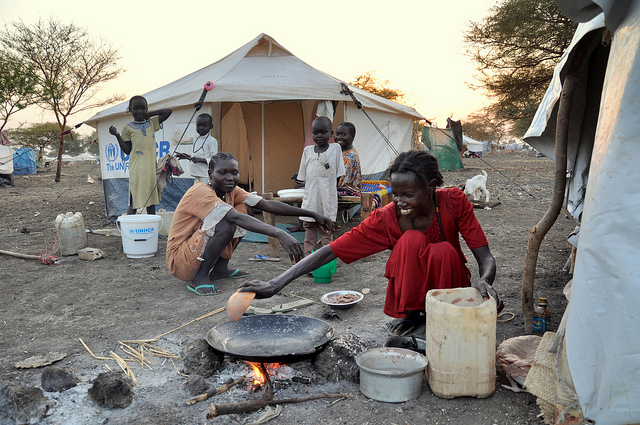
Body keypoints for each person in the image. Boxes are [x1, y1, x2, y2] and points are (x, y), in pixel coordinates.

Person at [239, 150, 501, 336]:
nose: (399, 202)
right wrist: (275, 284)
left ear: (431, 187)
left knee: (443, 249)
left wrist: (485, 281)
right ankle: (414, 314)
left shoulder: (453, 202)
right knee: (411, 240)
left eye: (409, 195)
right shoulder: (386, 219)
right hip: (413, 298)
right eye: (395, 194)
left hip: (451, 289)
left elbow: (484, 256)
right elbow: (332, 250)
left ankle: (449, 314)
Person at [166, 152, 333, 295]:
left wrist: (312, 214)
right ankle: (200, 277)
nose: (229, 178)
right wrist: (280, 233)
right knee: (228, 221)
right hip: (180, 260)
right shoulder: (201, 191)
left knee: (244, 209)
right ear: (210, 174)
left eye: (234, 173)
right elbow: (235, 219)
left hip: (194, 251)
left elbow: (268, 205)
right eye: (222, 173)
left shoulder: (230, 191)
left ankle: (220, 270)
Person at [109, 96, 172, 215]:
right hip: (137, 169)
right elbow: (127, 150)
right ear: (130, 110)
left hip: (151, 169)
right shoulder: (127, 128)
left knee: (151, 200)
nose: (139, 112)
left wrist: (151, 114)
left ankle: (151, 229)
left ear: (146, 109)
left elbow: (169, 112)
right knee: (134, 200)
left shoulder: (152, 124)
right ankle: (130, 229)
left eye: (143, 108)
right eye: (136, 109)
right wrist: (117, 135)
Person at [297, 116, 346, 256]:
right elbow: (303, 177)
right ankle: (308, 260)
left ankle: (327, 260)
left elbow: (338, 174)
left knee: (326, 233)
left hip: (327, 200)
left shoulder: (335, 149)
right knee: (309, 233)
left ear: (331, 134)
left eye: (323, 132)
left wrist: (335, 190)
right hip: (310, 201)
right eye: (315, 132)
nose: (319, 136)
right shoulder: (307, 151)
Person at [175, 113, 218, 183]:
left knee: (204, 192)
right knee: (197, 192)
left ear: (211, 126)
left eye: (204, 126)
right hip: (196, 173)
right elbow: (196, 156)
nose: (201, 128)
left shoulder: (212, 141)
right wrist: (187, 156)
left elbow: (215, 160)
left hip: (205, 174)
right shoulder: (196, 139)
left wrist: (200, 160)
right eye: (198, 125)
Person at [335, 121, 362, 195]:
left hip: (345, 192)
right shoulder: (342, 152)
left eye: (344, 135)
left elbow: (341, 181)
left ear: (352, 137)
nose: (339, 137)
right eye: (337, 134)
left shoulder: (349, 157)